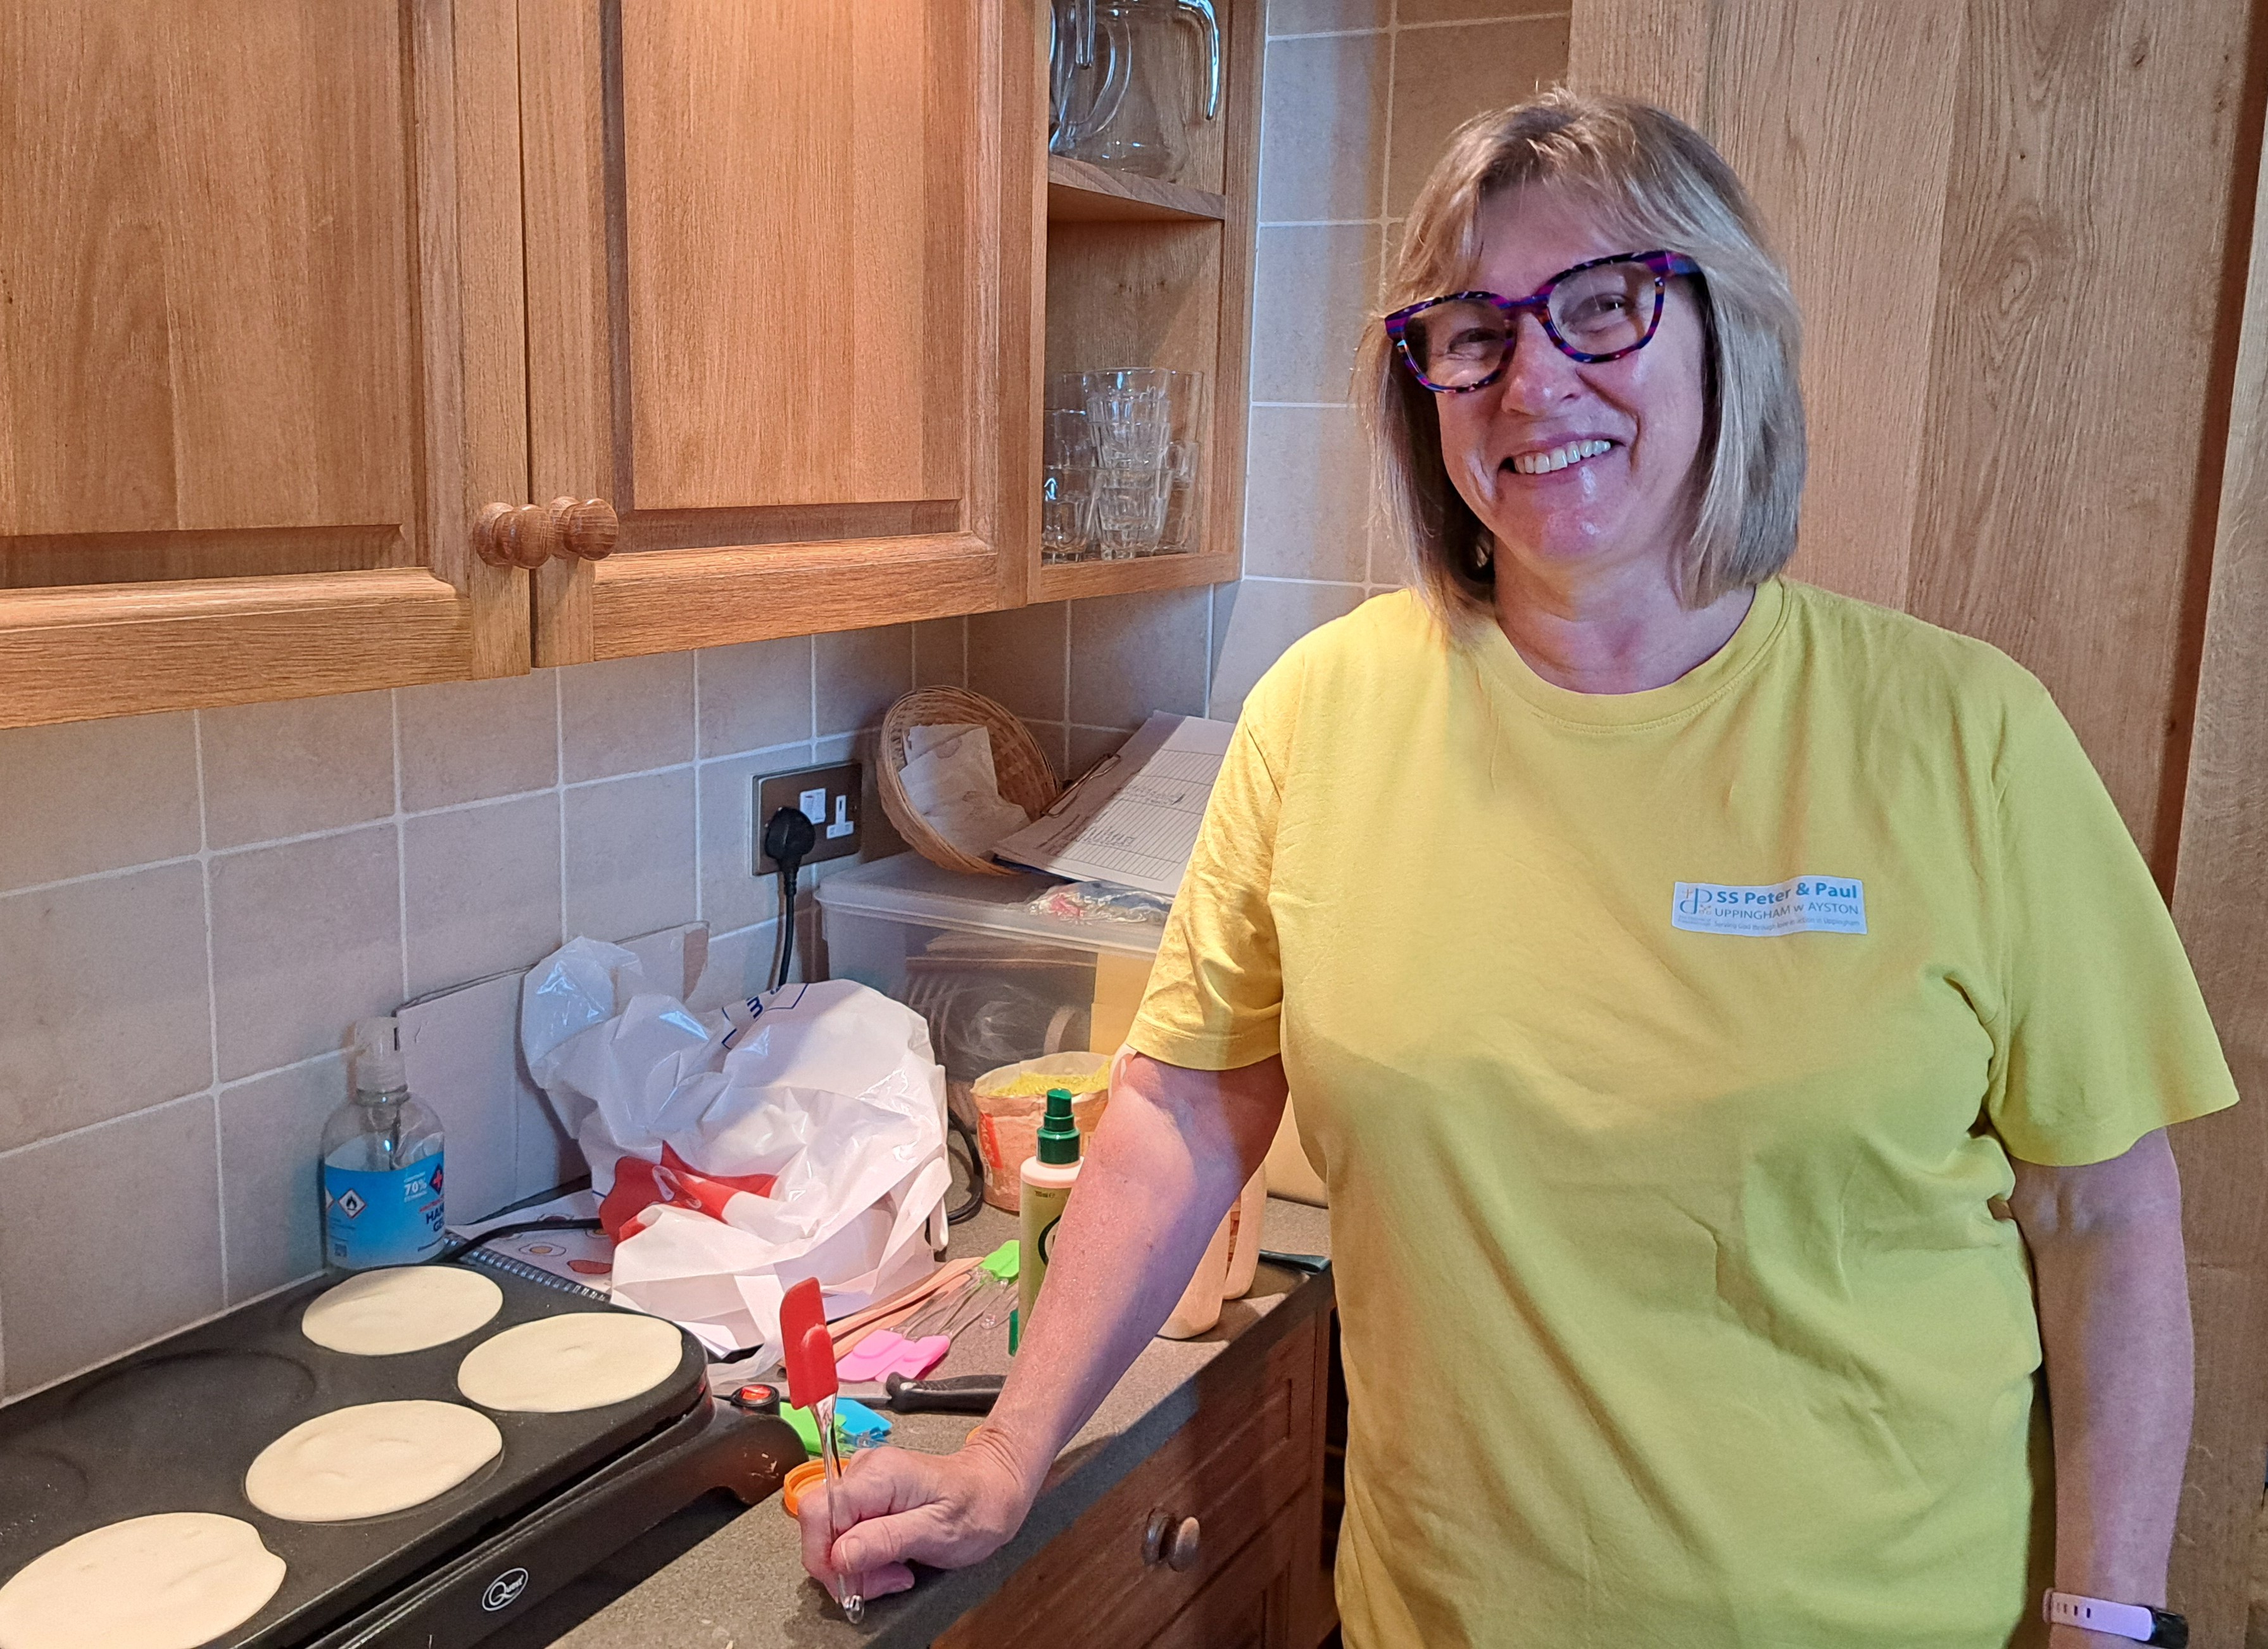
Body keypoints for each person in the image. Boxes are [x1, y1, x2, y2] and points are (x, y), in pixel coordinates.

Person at [800, 91, 2238, 1648]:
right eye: (1474, 332)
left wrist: (2104, 1622)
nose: (1532, 378)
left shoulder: (1968, 736)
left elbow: (2105, 1217)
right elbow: (1184, 1110)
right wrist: (1007, 1451)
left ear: (1728, 337)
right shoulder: (1321, 714)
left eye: (1604, 304)